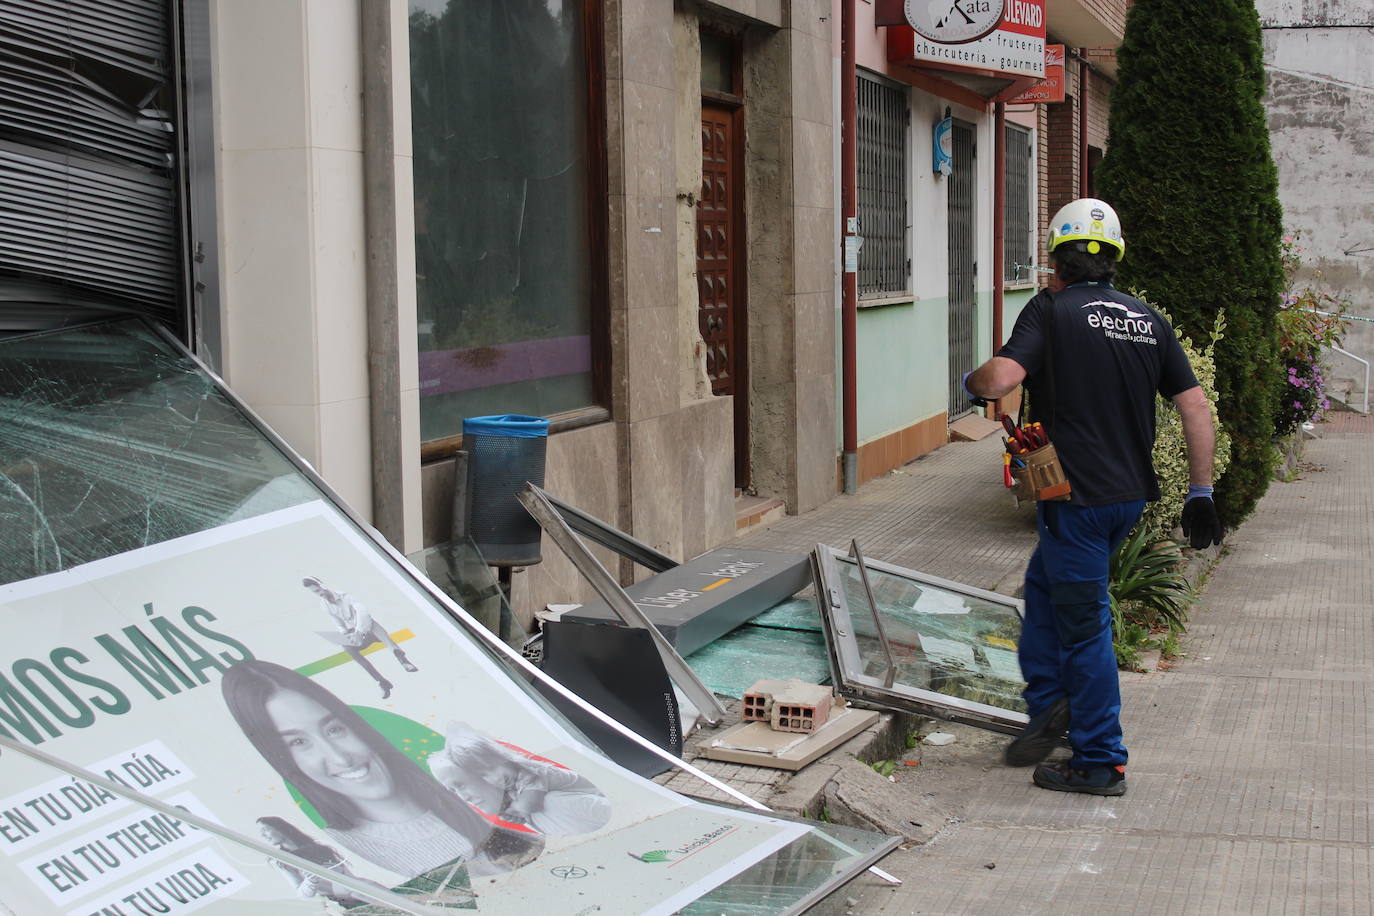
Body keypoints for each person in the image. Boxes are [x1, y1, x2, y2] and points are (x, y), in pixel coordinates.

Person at [962, 198, 1223, 797]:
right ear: (1113, 260)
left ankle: (1100, 759)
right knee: (1046, 590)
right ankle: (1051, 704)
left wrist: (972, 383)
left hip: (1075, 501)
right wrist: (1201, 492)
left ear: (1057, 257)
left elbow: (1001, 380)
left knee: (1084, 627)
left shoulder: (1050, 310)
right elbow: (1195, 407)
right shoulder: (1148, 320)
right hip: (1127, 499)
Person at [222, 660, 543, 879]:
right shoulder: (345, 856)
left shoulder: (473, 793)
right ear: (282, 760)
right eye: (298, 744)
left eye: (334, 729)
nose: (339, 758)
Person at [428, 722, 612, 836]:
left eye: (492, 768)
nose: (494, 777)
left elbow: (530, 802)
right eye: (484, 774)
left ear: (504, 758)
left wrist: (518, 810)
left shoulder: (531, 775)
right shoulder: (512, 785)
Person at [303, 576, 418, 699]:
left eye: (318, 590)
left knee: (377, 628)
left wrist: (359, 631)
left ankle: (403, 661)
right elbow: (338, 623)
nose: (319, 594)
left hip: (367, 627)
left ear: (322, 585)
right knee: (346, 647)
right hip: (356, 633)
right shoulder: (325, 606)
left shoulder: (345, 596)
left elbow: (363, 613)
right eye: (315, 592)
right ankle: (382, 682)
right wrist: (346, 634)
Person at [256, 815, 381, 908]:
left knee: (364, 885)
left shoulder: (320, 848)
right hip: (333, 899)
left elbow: (350, 877)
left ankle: (395, 903)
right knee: (356, 888)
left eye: (265, 830)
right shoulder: (283, 861)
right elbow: (303, 895)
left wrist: (338, 870)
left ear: (280, 828)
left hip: (347, 888)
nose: (263, 835)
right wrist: (311, 880)